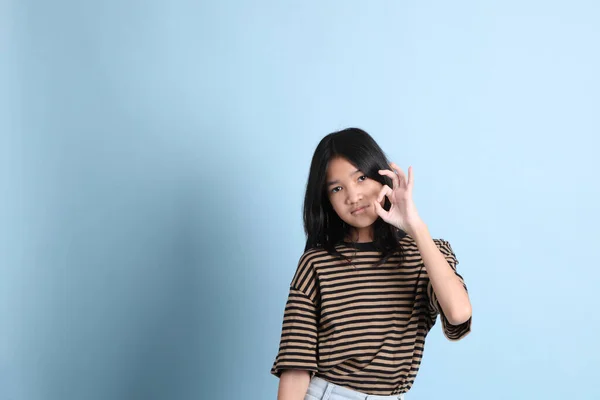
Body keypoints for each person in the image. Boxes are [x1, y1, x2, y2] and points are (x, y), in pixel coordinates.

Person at [270, 127, 472, 400]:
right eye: (337, 188)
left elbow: (459, 313)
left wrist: (415, 226)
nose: (353, 196)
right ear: (326, 200)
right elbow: (296, 365)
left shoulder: (427, 254)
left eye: (361, 178)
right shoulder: (316, 263)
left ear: (382, 176)